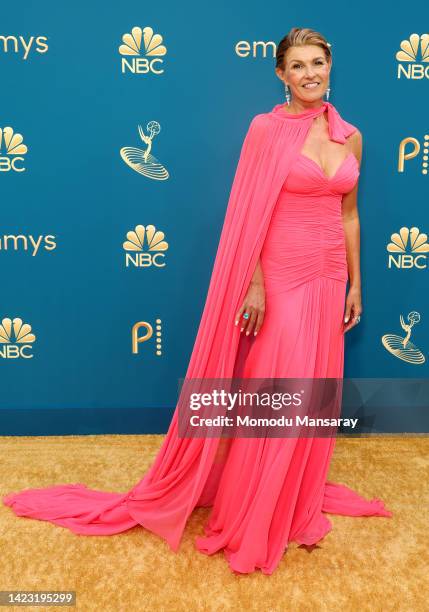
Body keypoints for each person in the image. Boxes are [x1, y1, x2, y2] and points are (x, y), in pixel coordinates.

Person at [3, 27, 392, 575]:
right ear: (281, 74)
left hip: (330, 275)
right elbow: (247, 212)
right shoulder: (265, 130)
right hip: (279, 271)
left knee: (312, 391)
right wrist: (253, 282)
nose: (310, 74)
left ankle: (290, 501)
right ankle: (255, 508)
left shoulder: (349, 136)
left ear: (331, 67)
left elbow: (349, 214)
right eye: (298, 66)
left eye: (318, 63)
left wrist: (357, 282)